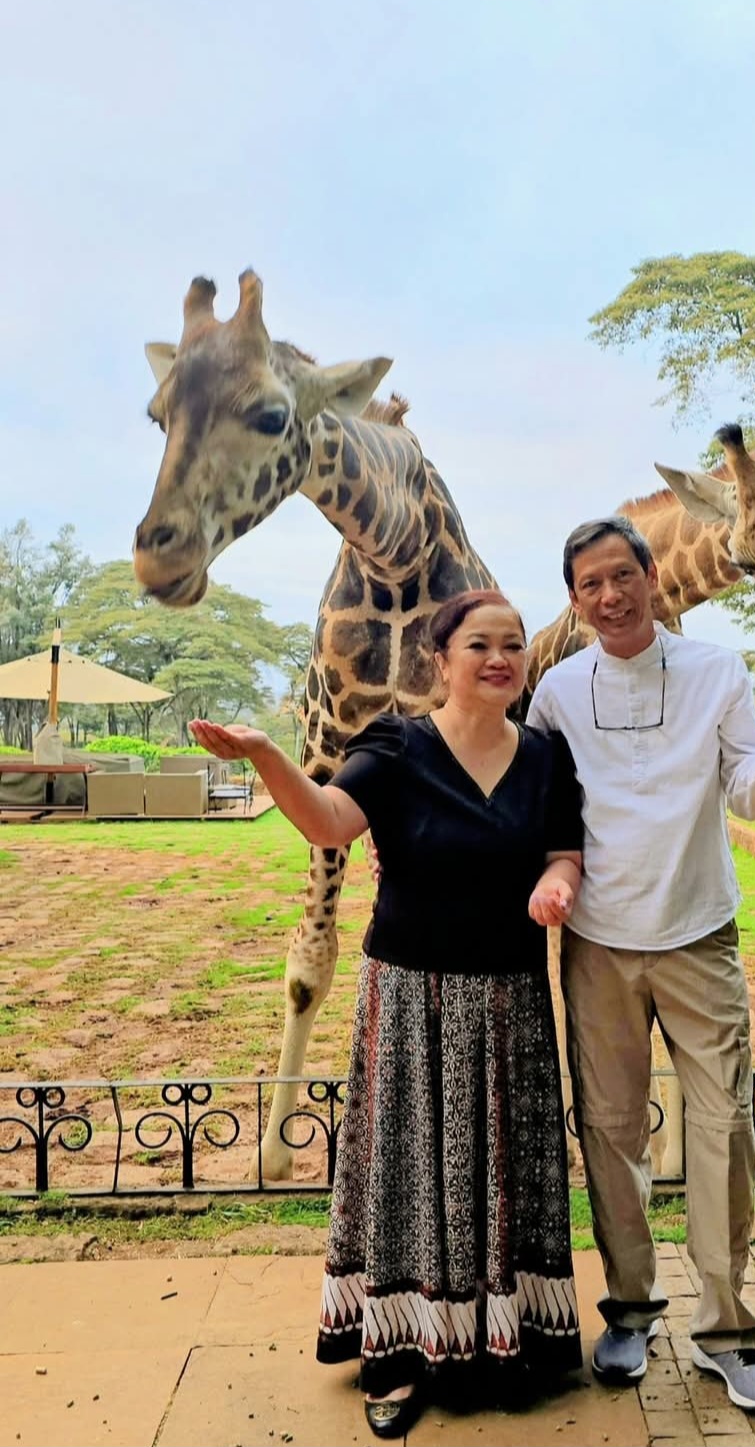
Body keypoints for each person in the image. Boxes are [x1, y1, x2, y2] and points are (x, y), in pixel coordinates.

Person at [190, 589, 584, 1440]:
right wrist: (265, 756)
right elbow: (329, 819)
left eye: (513, 644)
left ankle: (499, 1338)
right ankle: (402, 1354)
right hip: (412, 997)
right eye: (479, 643)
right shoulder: (398, 747)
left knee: (499, 1172)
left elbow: (562, 849)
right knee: (410, 1175)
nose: (500, 658)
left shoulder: (547, 756)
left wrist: (558, 883)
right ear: (439, 660)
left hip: (511, 1000)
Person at [526, 517, 755, 1420]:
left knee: (724, 1129)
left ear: (651, 575)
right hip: (600, 945)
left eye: (621, 576)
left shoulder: (718, 672)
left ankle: (728, 1334)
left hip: (698, 934)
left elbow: (746, 790)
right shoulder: (560, 692)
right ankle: (630, 1310)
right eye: (588, 586)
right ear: (574, 600)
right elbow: (531, 802)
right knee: (609, 1129)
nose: (608, 597)